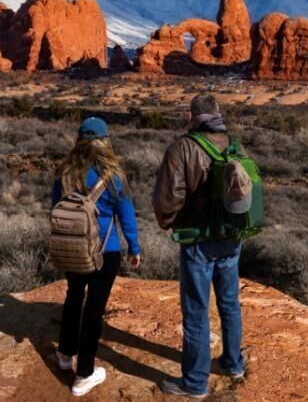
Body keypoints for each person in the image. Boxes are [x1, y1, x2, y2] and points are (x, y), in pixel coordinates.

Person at [153, 94, 249, 399]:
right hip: (232, 238)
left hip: (198, 242)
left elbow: (168, 198)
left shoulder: (182, 148)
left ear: (191, 116)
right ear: (217, 114)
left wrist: (169, 222)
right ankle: (233, 363)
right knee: (230, 303)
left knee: (196, 310)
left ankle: (195, 383)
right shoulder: (233, 143)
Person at [52, 116, 142, 397]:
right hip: (106, 250)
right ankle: (84, 375)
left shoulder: (65, 171)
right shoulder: (113, 174)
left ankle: (65, 354)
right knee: (94, 311)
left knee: (73, 297)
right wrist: (134, 248)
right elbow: (126, 216)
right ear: (105, 141)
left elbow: (55, 208)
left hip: (73, 248)